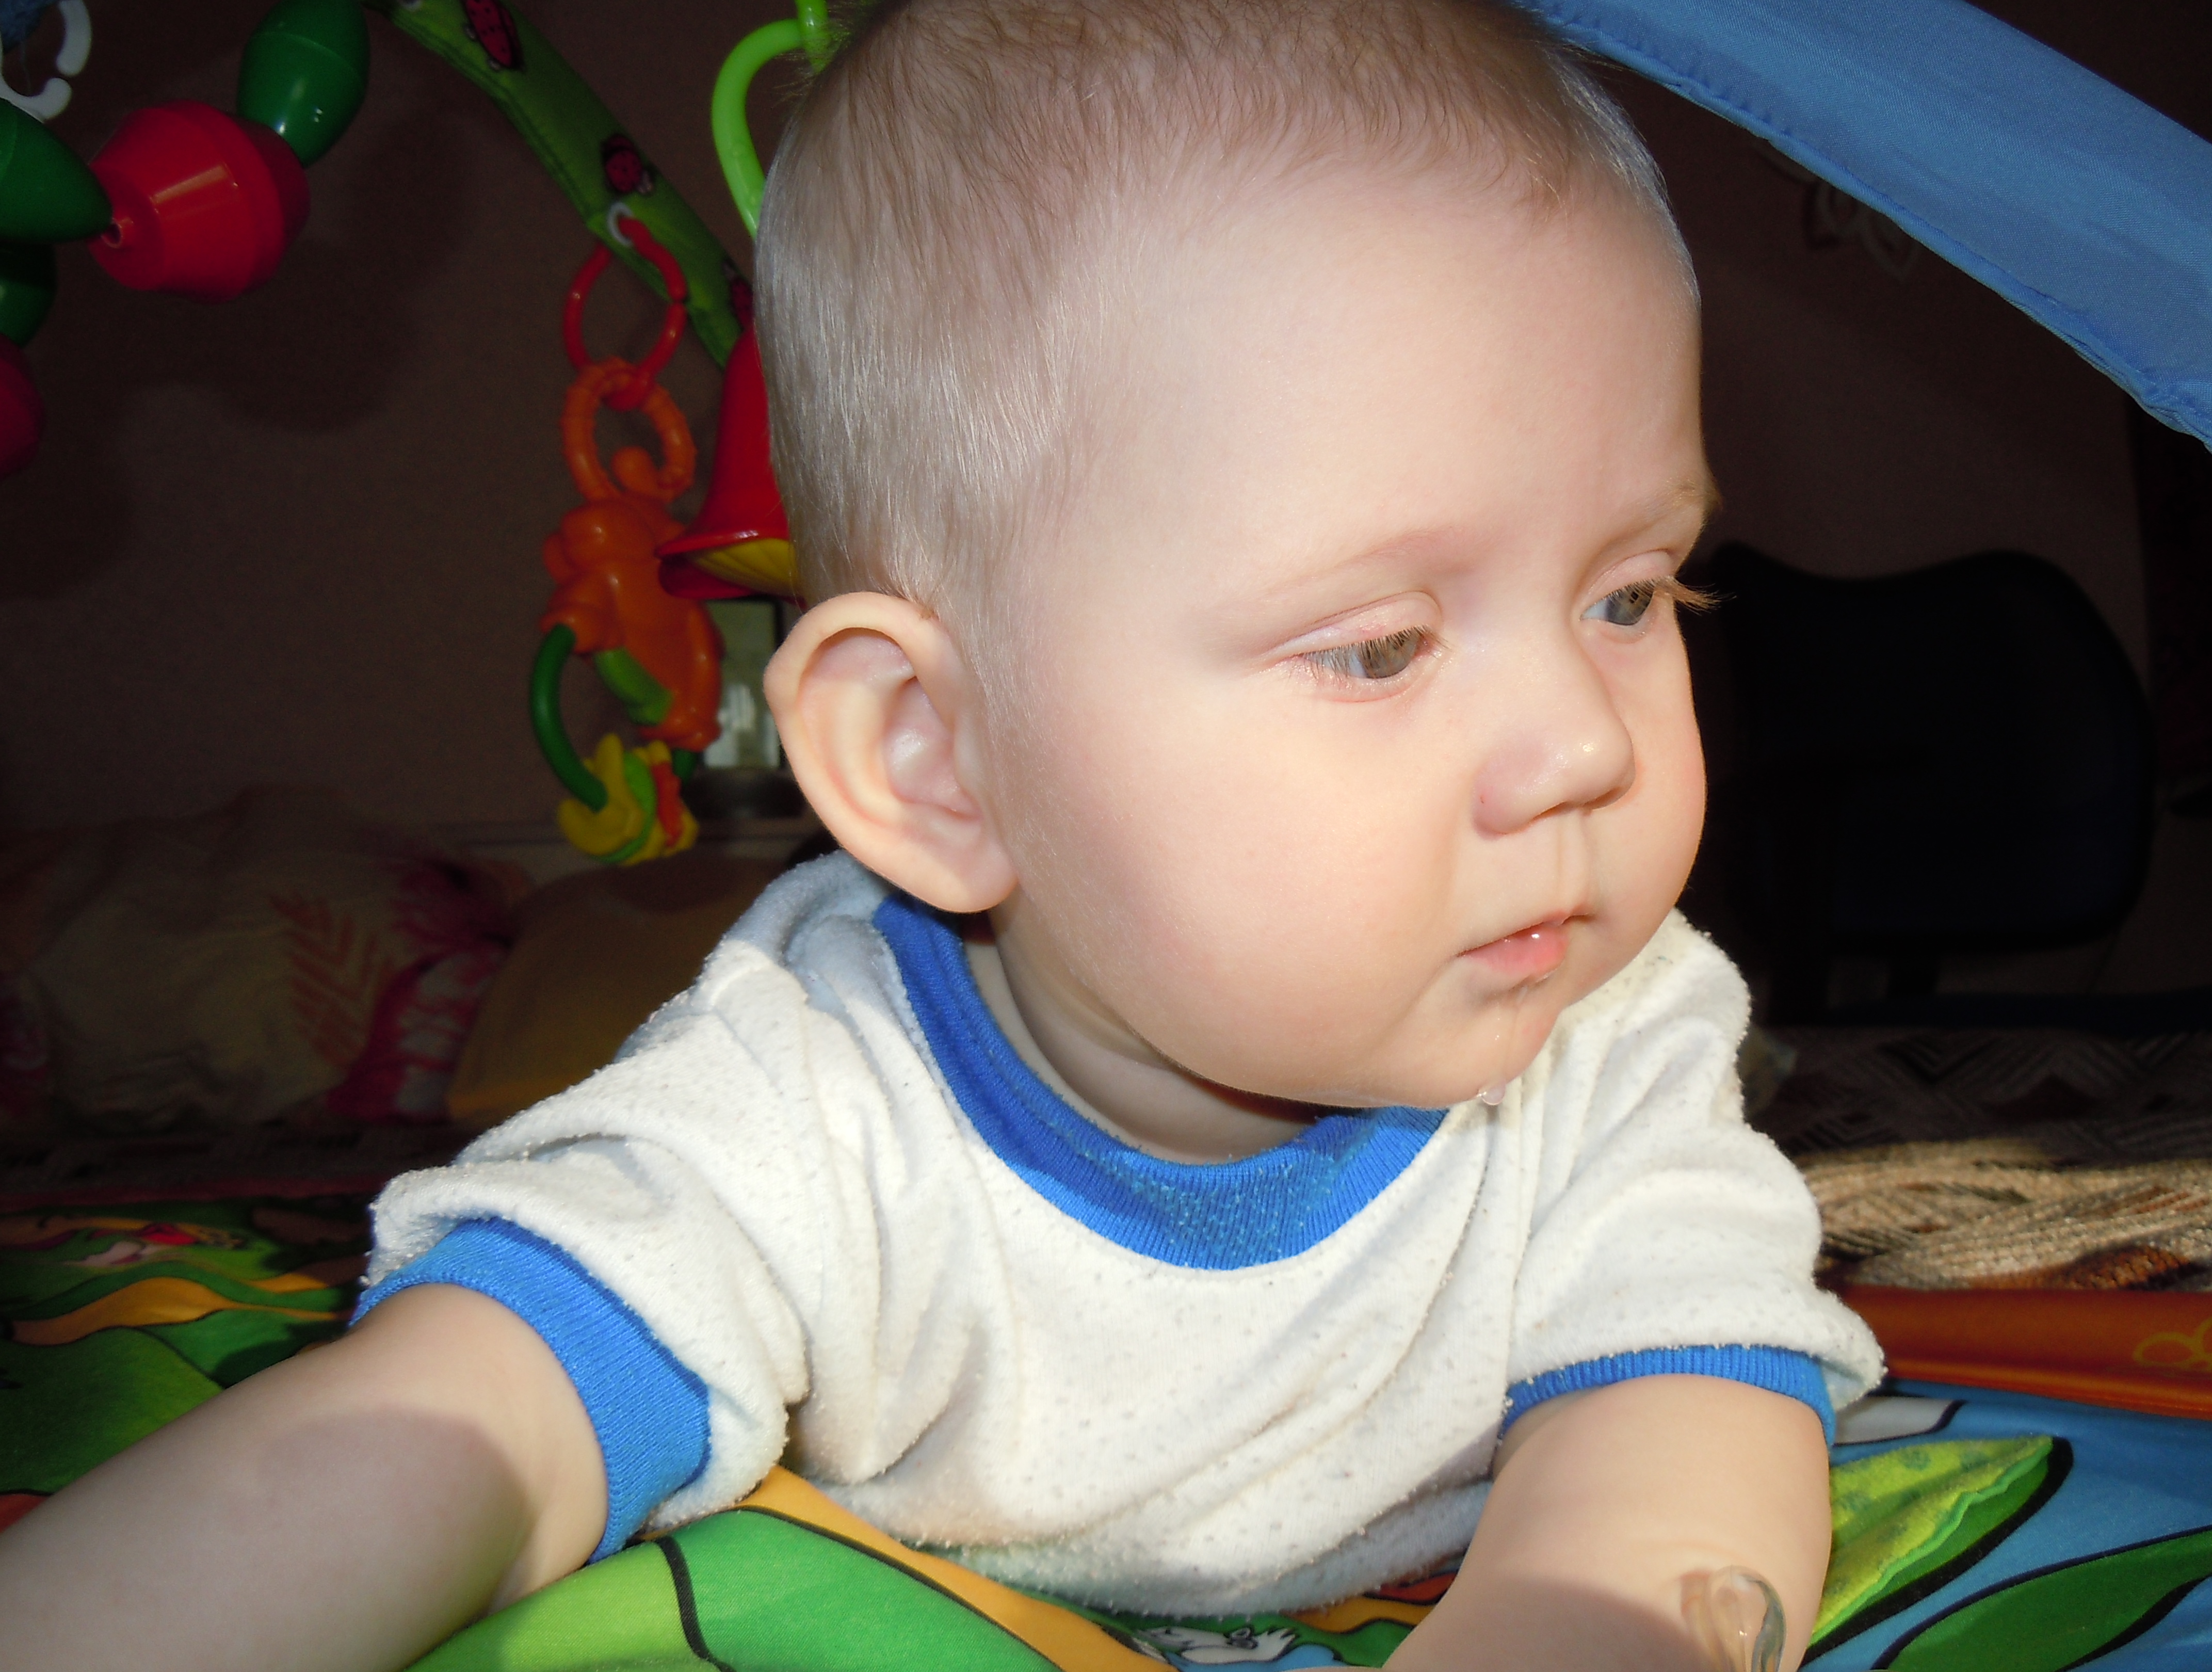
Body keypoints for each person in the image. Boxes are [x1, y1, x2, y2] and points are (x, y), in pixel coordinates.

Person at [0, 1, 1880, 1666]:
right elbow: (453, 1426)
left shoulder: (1611, 1047)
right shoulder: (805, 1108)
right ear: (937, 764)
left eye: (1631, 594)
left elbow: (1684, 1424)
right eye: (1381, 644)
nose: (1582, 745)